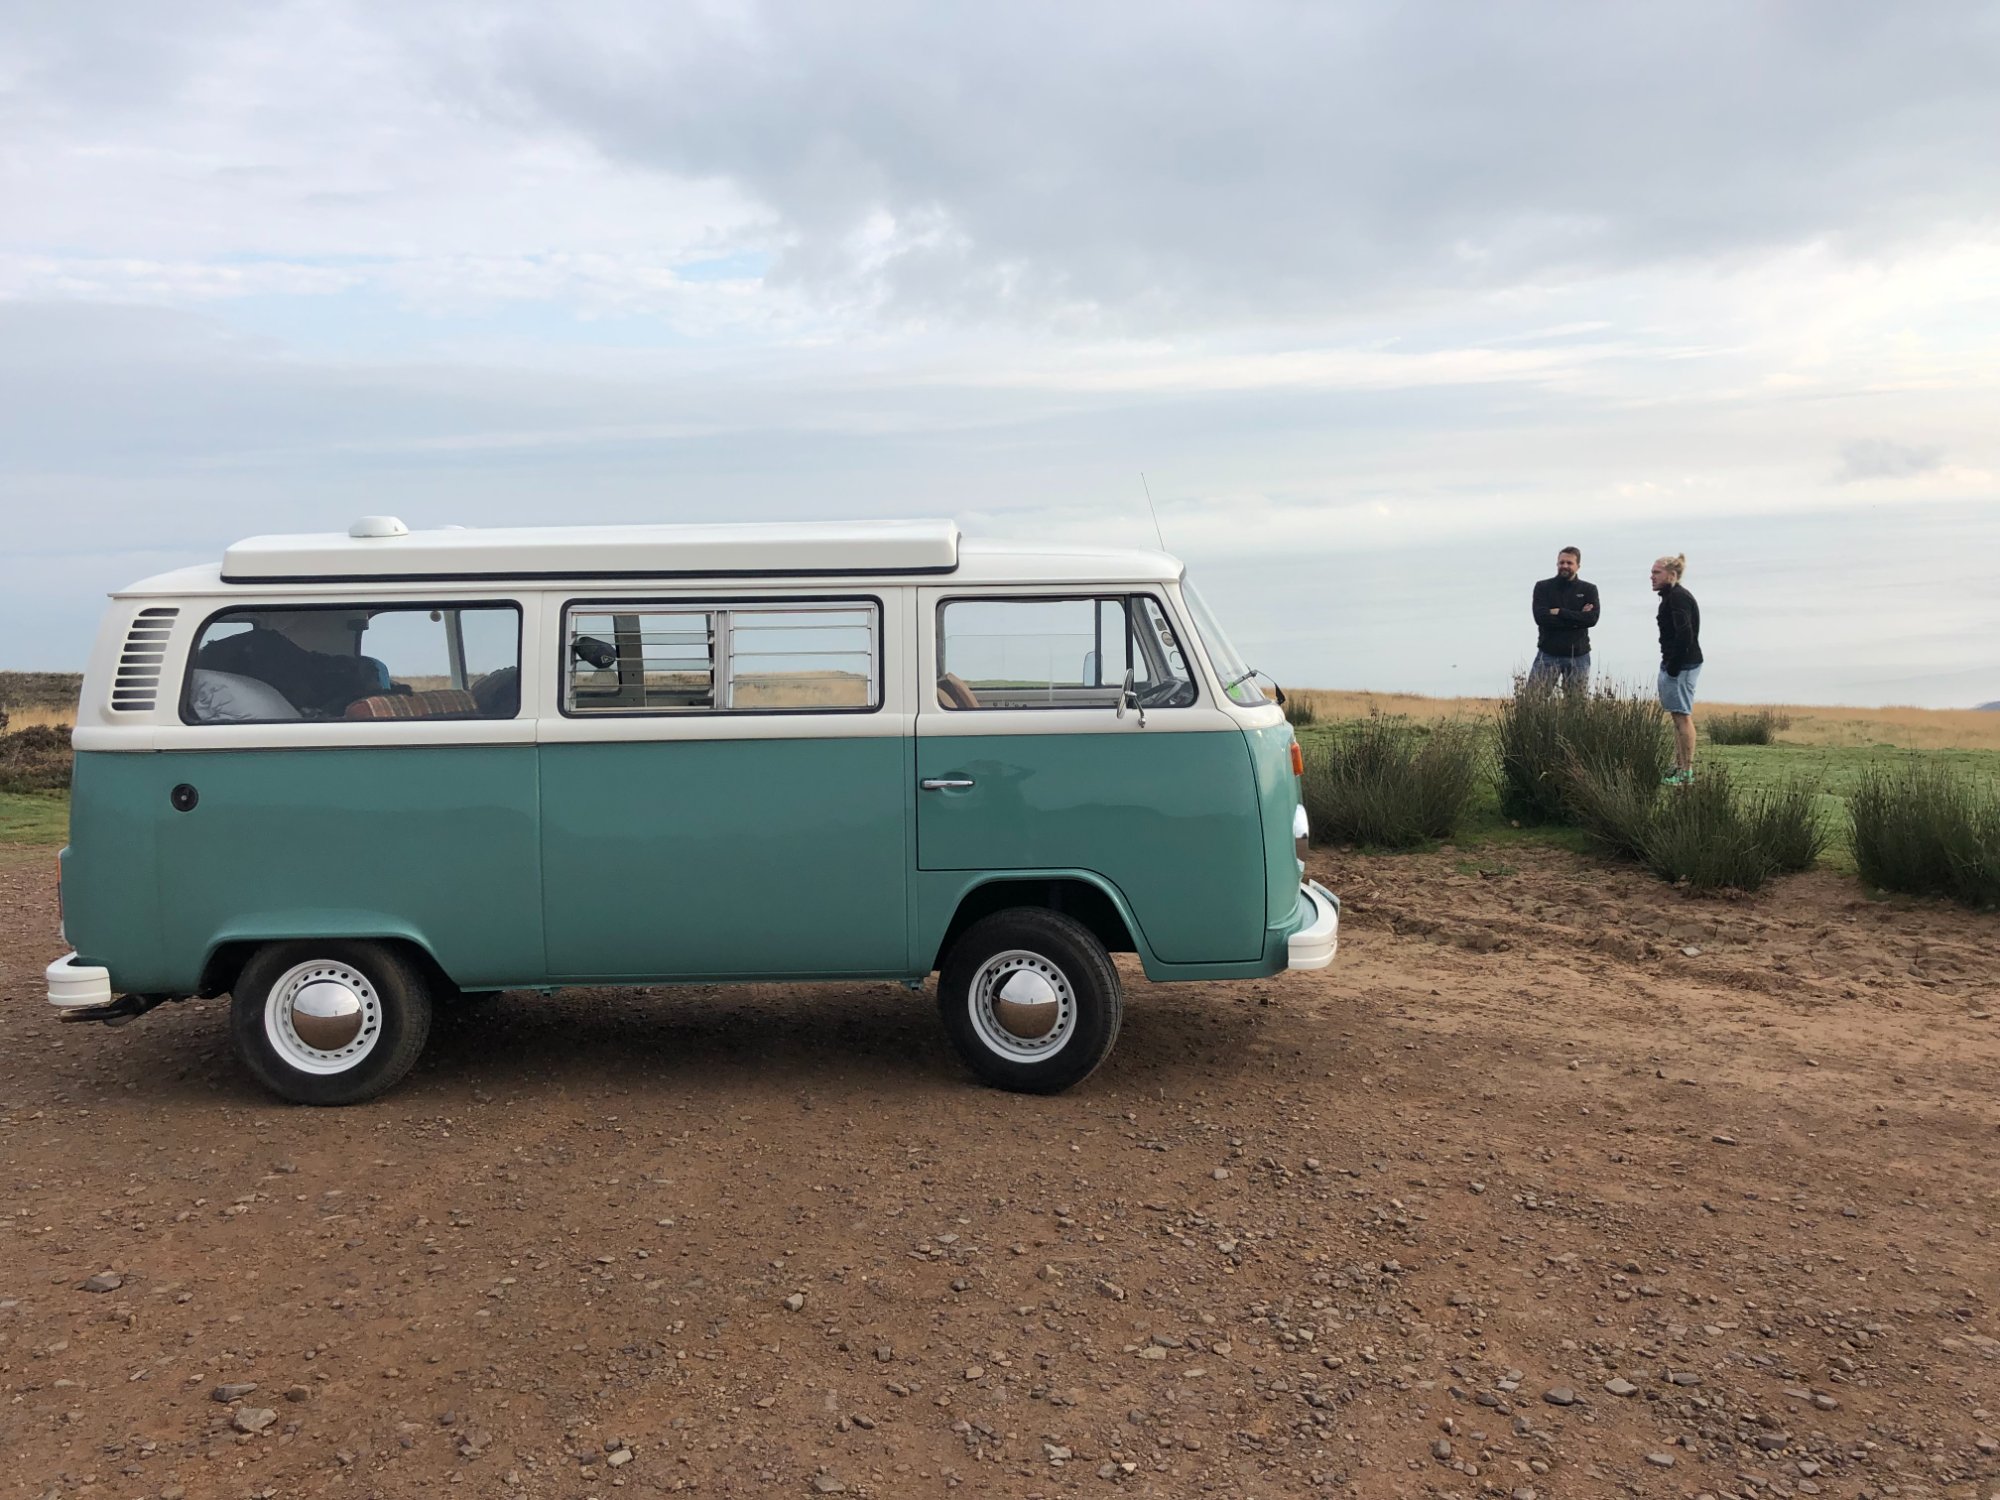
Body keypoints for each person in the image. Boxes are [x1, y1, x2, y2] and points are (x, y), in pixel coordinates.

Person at [1652, 553, 1702, 784]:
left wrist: (1673, 667)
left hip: (1682, 664)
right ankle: (1679, 766)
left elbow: (1685, 635)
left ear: (1671, 575)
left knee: (1682, 717)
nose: (1651, 576)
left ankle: (1686, 772)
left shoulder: (1678, 598)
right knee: (1677, 716)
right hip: (1678, 663)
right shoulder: (1670, 597)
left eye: (1656, 572)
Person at [1529, 546, 1599, 689]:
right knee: (1533, 700)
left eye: (1569, 563)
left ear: (1578, 566)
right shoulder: (1543, 587)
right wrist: (1578, 618)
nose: (1565, 566)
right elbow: (1541, 618)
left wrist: (1560, 612)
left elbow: (1591, 619)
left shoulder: (1588, 589)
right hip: (1548, 654)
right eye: (1562, 562)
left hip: (1578, 656)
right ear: (1557, 564)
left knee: (1575, 705)